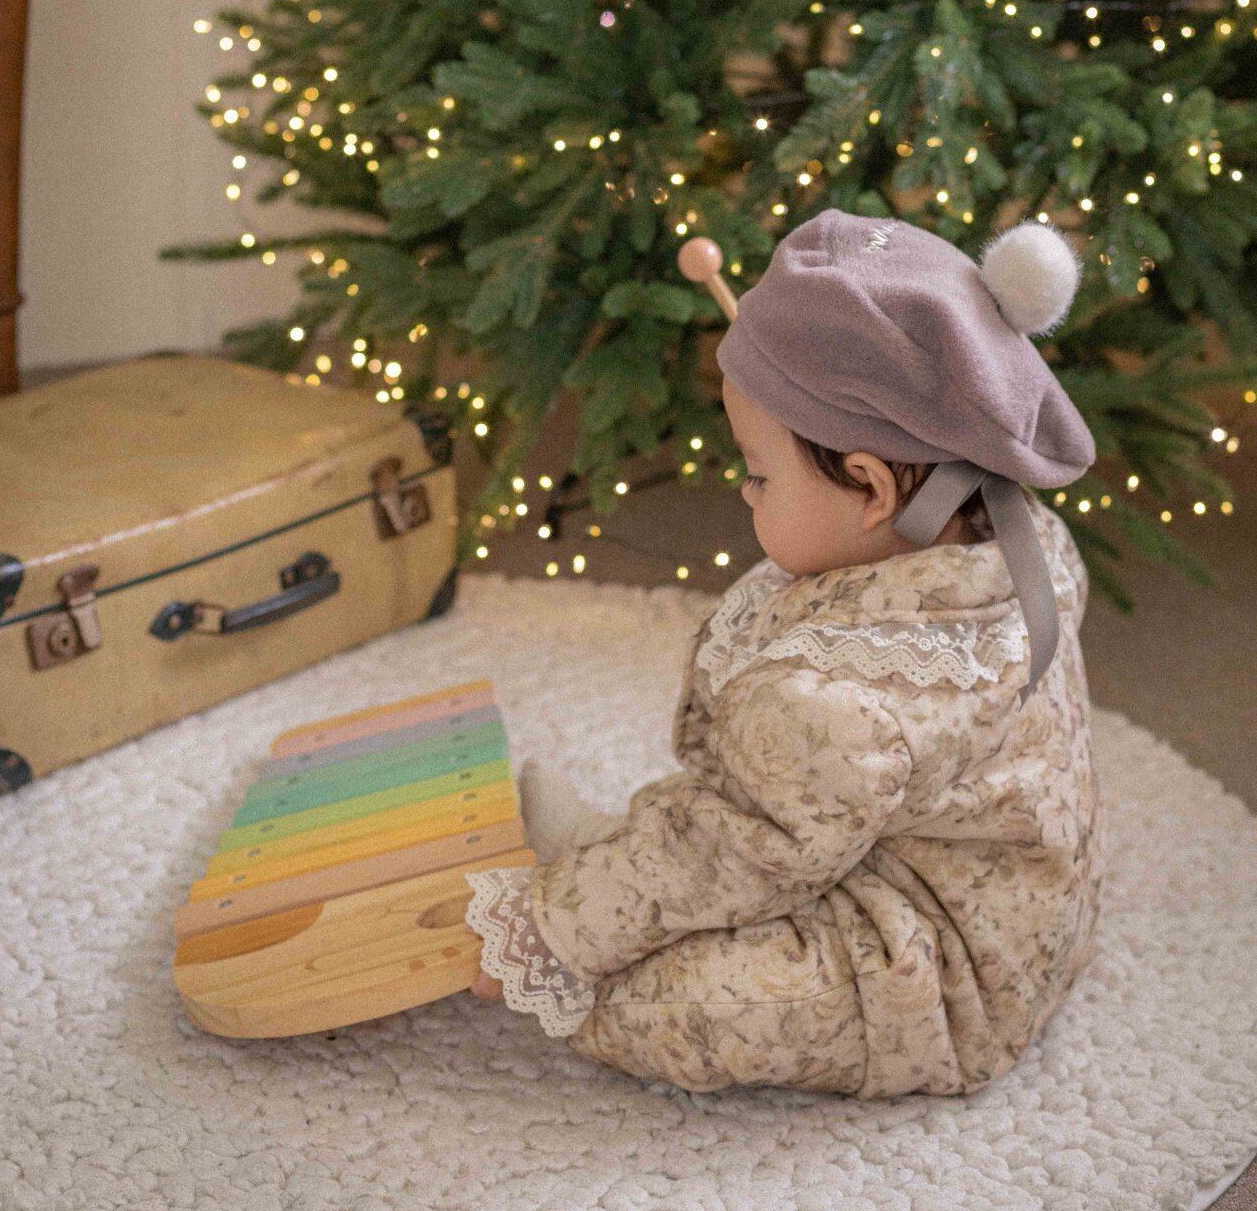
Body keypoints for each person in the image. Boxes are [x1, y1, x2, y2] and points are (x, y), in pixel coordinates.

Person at [464, 209, 1103, 1096]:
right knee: (727, 835)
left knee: (704, 998)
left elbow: (730, 851)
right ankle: (609, 863)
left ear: (872, 488)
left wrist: (551, 932)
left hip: (945, 977)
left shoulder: (837, 708)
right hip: (1011, 904)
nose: (743, 490)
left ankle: (597, 961)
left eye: (759, 474)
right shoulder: (1008, 545)